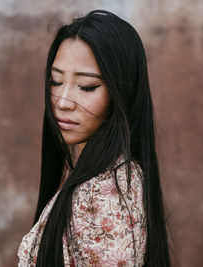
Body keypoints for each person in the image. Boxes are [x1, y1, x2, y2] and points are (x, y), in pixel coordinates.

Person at [18, 10, 170, 267]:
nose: (63, 102)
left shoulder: (101, 193)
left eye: (87, 87)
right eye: (56, 81)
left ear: (122, 92)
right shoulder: (112, 175)